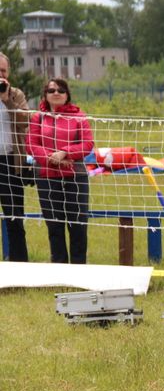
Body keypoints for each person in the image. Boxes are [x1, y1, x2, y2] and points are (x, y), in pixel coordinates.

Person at [26, 78, 94, 264]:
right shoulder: (37, 118)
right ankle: (59, 267)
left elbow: (88, 144)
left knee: (77, 225)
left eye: (61, 90)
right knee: (54, 226)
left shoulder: (79, 116)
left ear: (67, 95)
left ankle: (79, 266)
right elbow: (31, 145)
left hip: (75, 176)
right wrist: (52, 158)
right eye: (51, 90)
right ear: (45, 95)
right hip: (47, 177)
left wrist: (65, 153)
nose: (56, 93)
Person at [0, 52, 29, 261]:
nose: (0, 75)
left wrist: (6, 100)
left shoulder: (16, 94)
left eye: (3, 71)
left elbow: (24, 122)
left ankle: (20, 265)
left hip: (11, 162)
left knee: (14, 218)